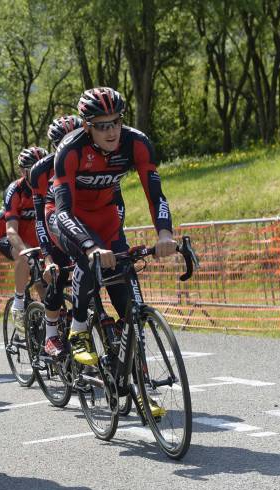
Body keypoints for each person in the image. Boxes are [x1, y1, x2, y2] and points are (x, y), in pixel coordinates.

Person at [50, 88, 175, 417]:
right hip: (72, 221)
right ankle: (78, 328)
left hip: (108, 222)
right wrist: (89, 245)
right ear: (87, 126)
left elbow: (155, 193)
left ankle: (142, 386)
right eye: (102, 125)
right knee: (89, 260)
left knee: (132, 308)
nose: (111, 130)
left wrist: (164, 233)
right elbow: (63, 211)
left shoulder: (136, 143)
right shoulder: (70, 150)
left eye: (116, 122)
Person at [28, 114, 86, 358]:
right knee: (58, 273)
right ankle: (51, 335)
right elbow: (41, 218)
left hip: (84, 226)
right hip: (56, 231)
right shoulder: (40, 172)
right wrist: (47, 256)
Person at [4, 146, 49, 337]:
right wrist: (25, 249)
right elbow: (11, 230)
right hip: (10, 236)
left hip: (38, 239)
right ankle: (19, 301)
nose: (40, 172)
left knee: (44, 286)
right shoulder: (16, 190)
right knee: (23, 256)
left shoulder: (52, 184)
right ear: (23, 171)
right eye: (34, 168)